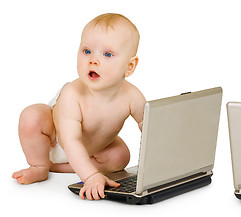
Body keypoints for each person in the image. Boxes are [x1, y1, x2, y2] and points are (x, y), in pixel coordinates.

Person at [12, 13, 146, 201]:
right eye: (86, 51)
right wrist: (90, 177)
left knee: (121, 157)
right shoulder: (72, 94)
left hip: (93, 150)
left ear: (130, 66)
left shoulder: (133, 96)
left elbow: (149, 126)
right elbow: (71, 141)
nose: (93, 60)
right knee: (32, 116)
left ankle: (57, 168)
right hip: (55, 141)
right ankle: (40, 166)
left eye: (107, 54)